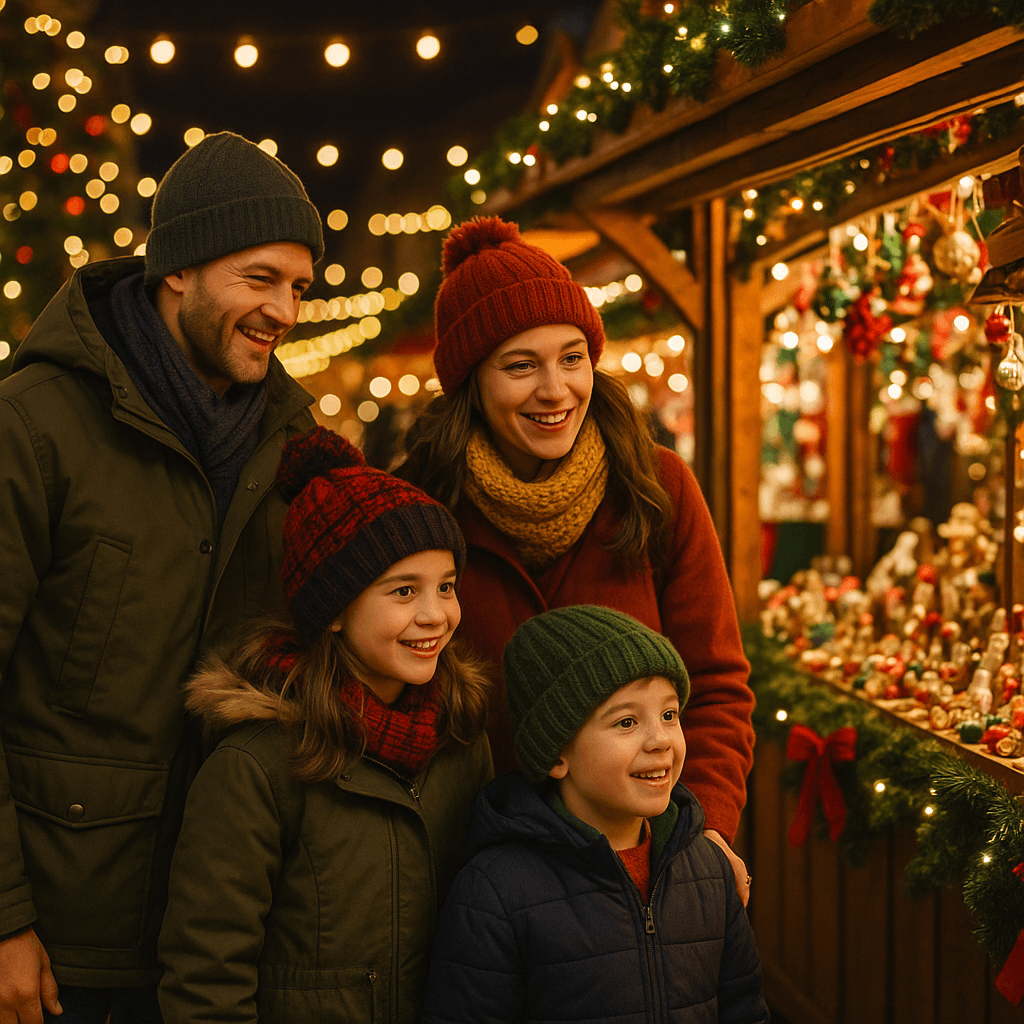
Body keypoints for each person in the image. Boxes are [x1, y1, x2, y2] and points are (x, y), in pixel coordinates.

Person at [0, 131, 324, 1024]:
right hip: (63, 944)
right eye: (260, 279)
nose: (286, 311)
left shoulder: (289, 445)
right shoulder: (34, 427)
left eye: (298, 286)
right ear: (177, 270)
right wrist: (4, 923)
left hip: (221, 933)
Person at [398, 215, 755, 900]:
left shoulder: (658, 488)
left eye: (571, 357)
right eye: (521, 365)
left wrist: (706, 831)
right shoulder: (421, 507)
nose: (555, 389)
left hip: (642, 868)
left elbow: (716, 685)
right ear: (472, 381)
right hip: (475, 876)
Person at [157, 426, 492, 1024]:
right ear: (334, 607)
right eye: (403, 591)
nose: (435, 614)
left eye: (446, 587)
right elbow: (206, 976)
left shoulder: (461, 741)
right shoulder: (258, 766)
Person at [420, 605, 769, 1024]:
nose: (660, 740)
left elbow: (744, 1008)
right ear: (556, 755)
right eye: (626, 722)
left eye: (669, 714)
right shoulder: (495, 893)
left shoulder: (709, 871)